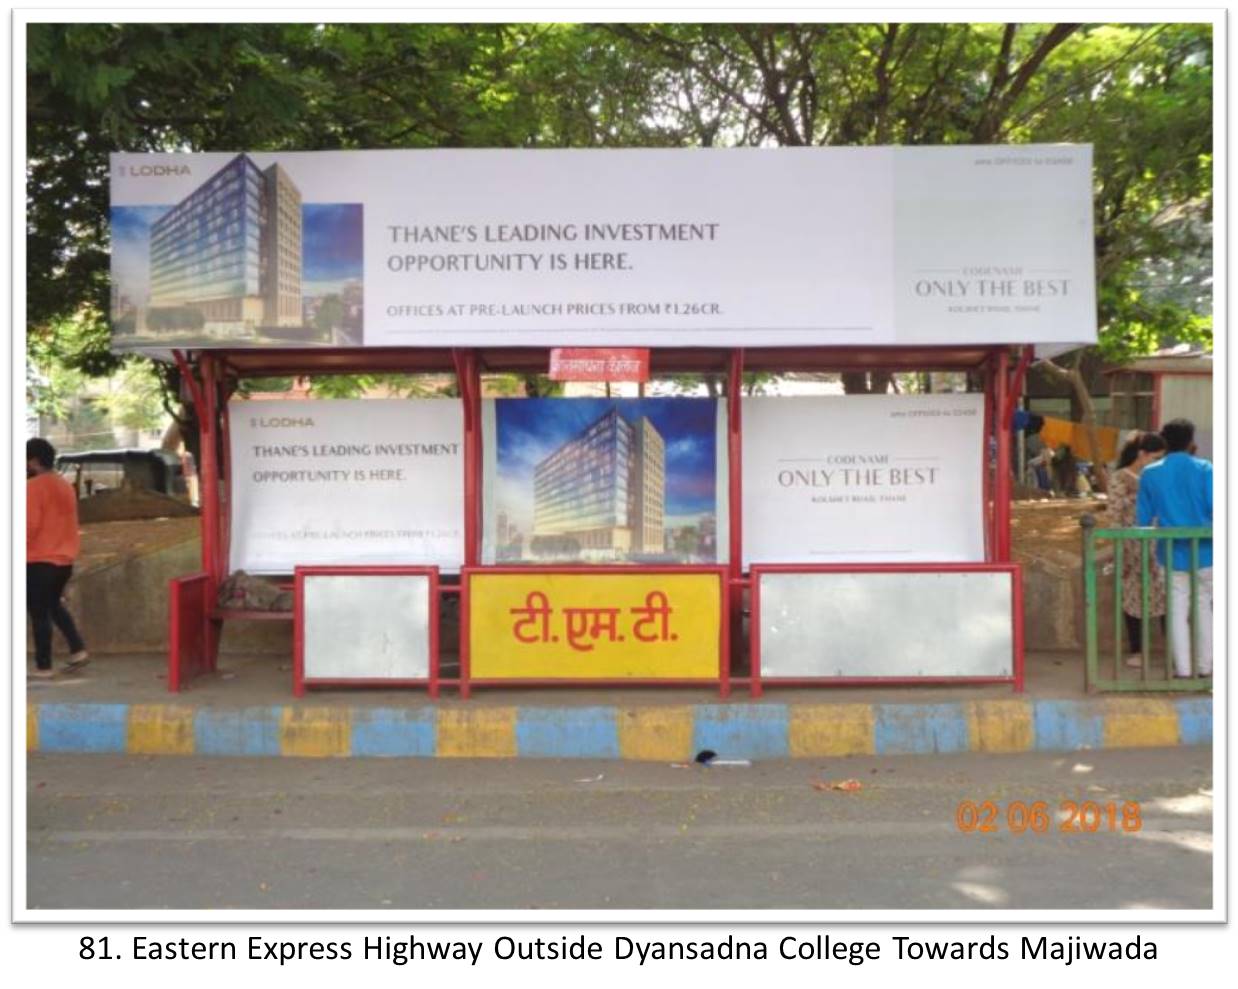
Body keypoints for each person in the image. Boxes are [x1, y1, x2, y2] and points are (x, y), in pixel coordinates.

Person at [1136, 419, 1212, 678]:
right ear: (1191, 441)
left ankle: (1182, 669)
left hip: (1169, 552)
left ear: (1165, 442)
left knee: (1177, 610)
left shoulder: (1151, 473)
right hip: (1206, 551)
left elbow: (1142, 519)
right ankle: (1205, 667)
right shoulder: (1205, 469)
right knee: (1204, 606)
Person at [26, 437, 89, 679]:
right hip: (64, 559)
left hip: (39, 558)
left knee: (39, 611)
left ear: (33, 461)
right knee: (52, 604)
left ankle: (44, 666)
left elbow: (29, 526)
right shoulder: (64, 486)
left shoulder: (32, 488)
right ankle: (77, 648)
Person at [1106, 432, 1167, 667]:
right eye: (1156, 457)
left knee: (1165, 597)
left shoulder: (1157, 477)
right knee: (1132, 597)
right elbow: (1113, 515)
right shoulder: (1120, 478)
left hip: (1160, 546)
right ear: (1142, 455)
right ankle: (1137, 650)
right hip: (1131, 547)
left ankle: (1172, 651)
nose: (1159, 462)